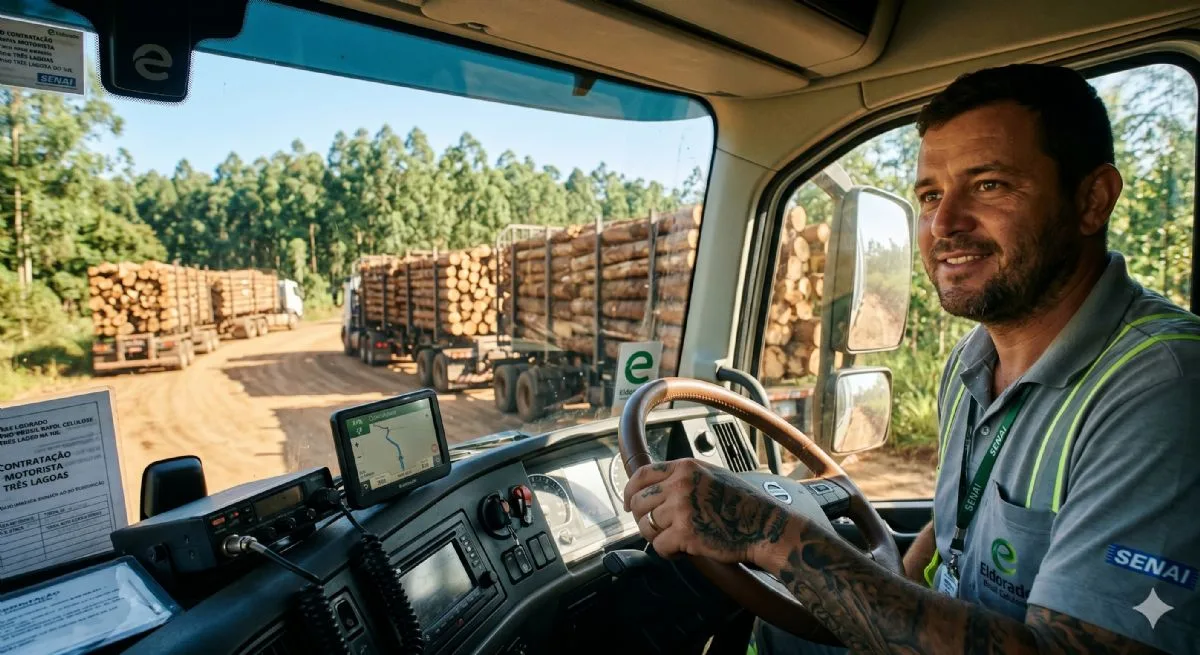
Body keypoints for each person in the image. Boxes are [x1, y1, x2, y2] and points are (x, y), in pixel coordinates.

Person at [623, 64, 1200, 654]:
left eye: (989, 185)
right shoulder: (973, 360)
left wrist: (770, 532)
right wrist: (885, 585)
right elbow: (954, 537)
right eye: (930, 196)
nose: (944, 224)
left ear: (1092, 200)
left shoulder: (1164, 387)